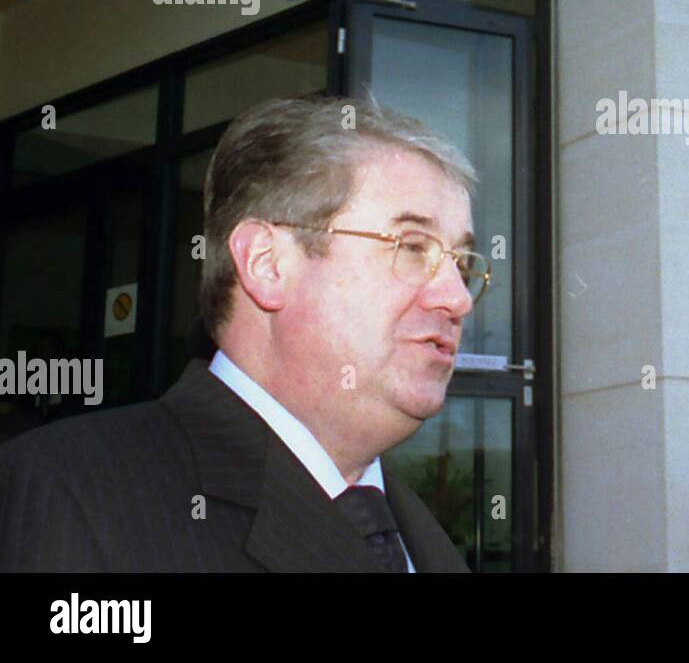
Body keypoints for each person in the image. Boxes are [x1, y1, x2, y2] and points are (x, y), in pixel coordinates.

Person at [0, 95, 488, 572]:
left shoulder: (423, 539)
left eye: (462, 263)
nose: (457, 298)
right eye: (412, 246)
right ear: (266, 264)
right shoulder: (74, 492)